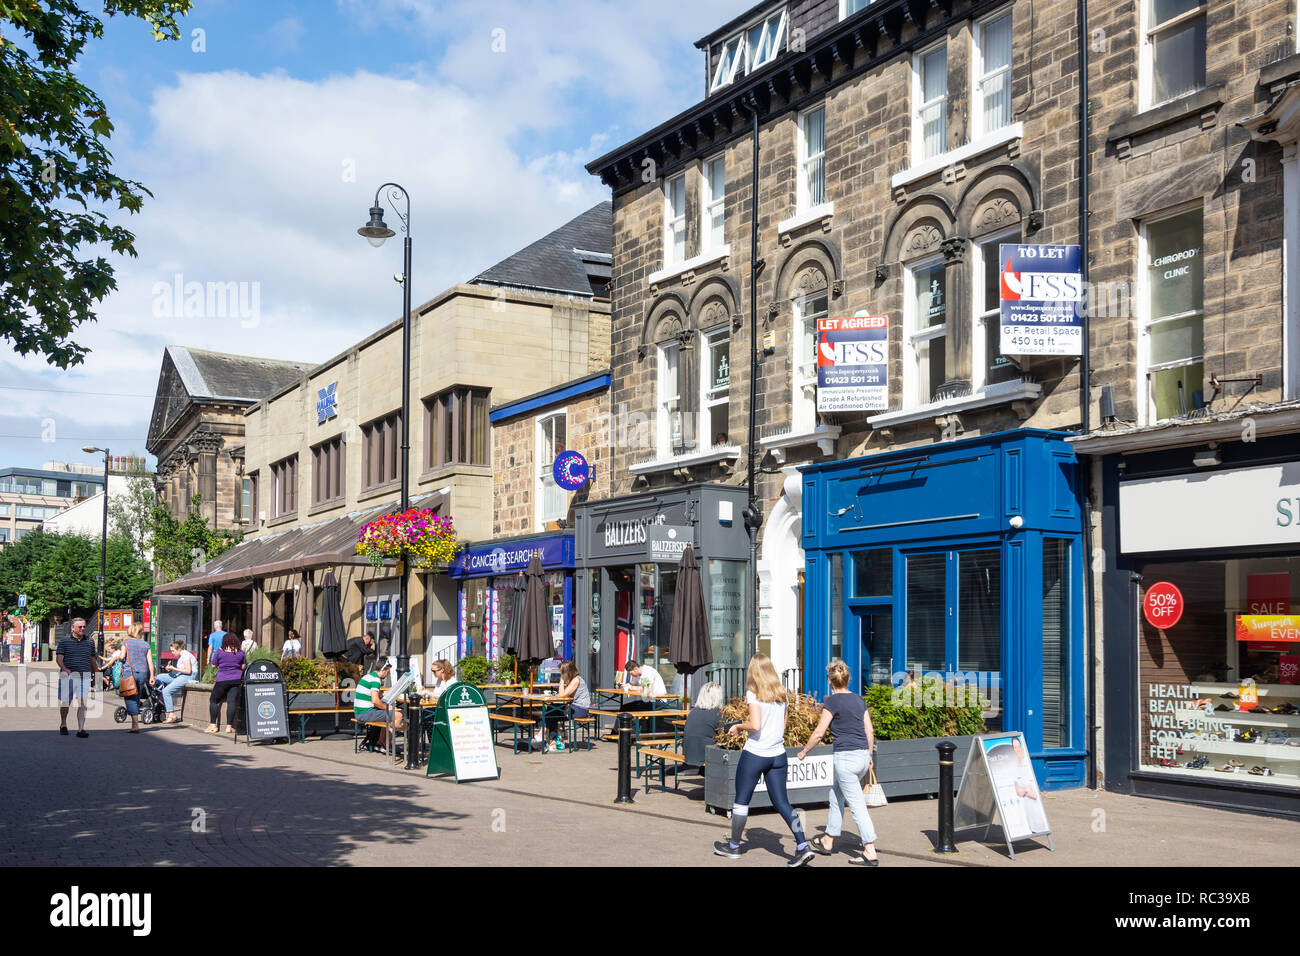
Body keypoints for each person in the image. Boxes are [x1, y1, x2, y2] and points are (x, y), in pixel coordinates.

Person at [714, 653, 815, 866]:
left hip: (756, 753)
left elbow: (756, 725)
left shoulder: (753, 694)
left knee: (742, 800)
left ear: (754, 672)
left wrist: (738, 726)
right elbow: (783, 724)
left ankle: (733, 846)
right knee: (783, 803)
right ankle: (802, 846)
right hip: (777, 754)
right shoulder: (782, 695)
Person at [797, 660, 879, 865]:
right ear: (848, 679)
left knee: (857, 805)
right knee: (835, 795)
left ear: (829, 681)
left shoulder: (831, 702)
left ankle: (870, 849)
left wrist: (805, 750)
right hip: (861, 756)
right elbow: (869, 730)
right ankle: (828, 840)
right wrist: (869, 755)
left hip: (846, 759)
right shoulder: (859, 700)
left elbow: (819, 733)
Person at [103, 623, 156, 734]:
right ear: (139, 632)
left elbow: (122, 657)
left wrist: (117, 657)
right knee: (136, 696)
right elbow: (150, 662)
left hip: (129, 673)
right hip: (142, 673)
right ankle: (134, 723)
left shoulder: (126, 642)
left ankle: (135, 725)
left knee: (129, 696)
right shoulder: (146, 645)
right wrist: (151, 676)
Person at [56, 618, 98, 738]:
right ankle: (63, 724)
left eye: (84, 626)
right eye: (80, 627)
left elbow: (93, 660)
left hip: (84, 676)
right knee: (65, 702)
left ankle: (81, 729)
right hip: (68, 676)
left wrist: (97, 675)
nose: (83, 629)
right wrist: (64, 668)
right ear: (73, 628)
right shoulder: (64, 641)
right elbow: (59, 658)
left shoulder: (90, 641)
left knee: (83, 703)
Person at [354, 658, 403, 754]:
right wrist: (387, 707)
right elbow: (375, 701)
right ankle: (387, 744)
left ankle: (380, 743)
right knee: (398, 716)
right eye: (387, 672)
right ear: (383, 670)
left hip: (359, 712)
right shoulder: (376, 680)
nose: (387, 674)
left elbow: (373, 695)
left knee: (388, 716)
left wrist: (384, 694)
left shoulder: (367, 676)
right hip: (365, 713)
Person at [541, 660, 591, 751]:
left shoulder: (576, 680)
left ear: (567, 671)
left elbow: (562, 695)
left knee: (552, 712)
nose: (561, 675)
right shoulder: (572, 680)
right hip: (574, 706)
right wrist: (567, 706)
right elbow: (566, 697)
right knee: (551, 710)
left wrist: (561, 681)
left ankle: (547, 739)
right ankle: (551, 741)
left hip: (581, 709)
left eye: (561, 673)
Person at [206, 631, 246, 734]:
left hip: (222, 680)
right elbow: (243, 666)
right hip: (236, 680)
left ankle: (213, 725)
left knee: (214, 700)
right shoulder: (241, 652)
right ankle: (229, 727)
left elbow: (213, 665)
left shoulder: (220, 651)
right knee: (231, 702)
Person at [154, 639, 198, 723]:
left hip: (187, 676)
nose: (172, 653)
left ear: (179, 649)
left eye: (173, 651)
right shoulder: (181, 655)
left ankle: (171, 714)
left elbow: (188, 671)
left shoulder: (185, 656)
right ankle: (161, 698)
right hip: (181, 675)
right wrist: (170, 669)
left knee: (166, 691)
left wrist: (173, 668)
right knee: (159, 677)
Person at [683, 681, 724, 770]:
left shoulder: (693, 711)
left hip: (688, 753)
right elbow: (724, 735)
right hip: (704, 754)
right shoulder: (717, 713)